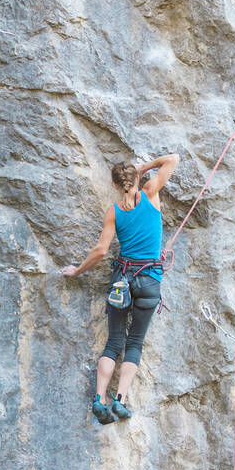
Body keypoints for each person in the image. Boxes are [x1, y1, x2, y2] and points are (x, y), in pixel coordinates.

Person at [63, 152, 180, 423]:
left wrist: (78, 270)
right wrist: (144, 166)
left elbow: (101, 251)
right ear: (137, 179)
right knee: (134, 342)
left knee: (114, 342)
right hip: (149, 281)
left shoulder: (114, 211)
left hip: (122, 280)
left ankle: (99, 399)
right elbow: (173, 159)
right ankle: (121, 401)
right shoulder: (151, 193)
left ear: (115, 185)